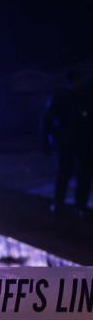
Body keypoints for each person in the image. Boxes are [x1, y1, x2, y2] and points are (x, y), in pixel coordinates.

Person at [43, 70, 93, 216]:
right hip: (67, 141)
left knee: (83, 175)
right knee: (64, 173)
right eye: (77, 80)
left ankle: (80, 205)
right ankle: (59, 203)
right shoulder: (60, 96)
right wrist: (47, 140)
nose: (79, 83)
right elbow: (48, 119)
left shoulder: (86, 96)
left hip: (84, 141)